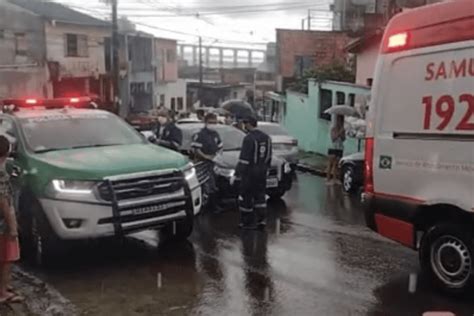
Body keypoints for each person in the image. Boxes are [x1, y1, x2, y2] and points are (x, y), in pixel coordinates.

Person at [235, 116, 272, 229]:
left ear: (249, 124)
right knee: (260, 197)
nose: (244, 126)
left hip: (250, 173)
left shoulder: (248, 139)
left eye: (245, 124)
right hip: (262, 172)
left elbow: (244, 160)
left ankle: (246, 222)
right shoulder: (266, 138)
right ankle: (262, 220)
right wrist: (266, 169)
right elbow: (269, 156)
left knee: (246, 196)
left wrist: (237, 174)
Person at [0, 136, 23, 304]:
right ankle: (3, 292)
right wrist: (13, 227)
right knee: (8, 257)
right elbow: (4, 202)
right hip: (3, 225)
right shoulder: (1, 175)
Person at [192, 113, 223, 213]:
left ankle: (213, 205)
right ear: (205, 123)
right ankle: (203, 206)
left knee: (213, 185)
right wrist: (206, 157)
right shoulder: (200, 135)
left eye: (214, 122)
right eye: (210, 122)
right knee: (204, 185)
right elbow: (196, 149)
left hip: (213, 163)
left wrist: (216, 157)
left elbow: (220, 147)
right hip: (202, 163)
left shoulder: (216, 134)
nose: (213, 124)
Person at [326, 115, 346, 185]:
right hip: (332, 147)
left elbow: (343, 139)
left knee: (336, 164)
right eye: (339, 121)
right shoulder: (333, 128)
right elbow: (333, 138)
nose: (340, 123)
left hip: (340, 148)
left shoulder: (342, 129)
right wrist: (339, 132)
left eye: (341, 121)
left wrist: (342, 134)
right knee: (331, 164)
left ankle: (335, 179)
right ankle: (328, 179)